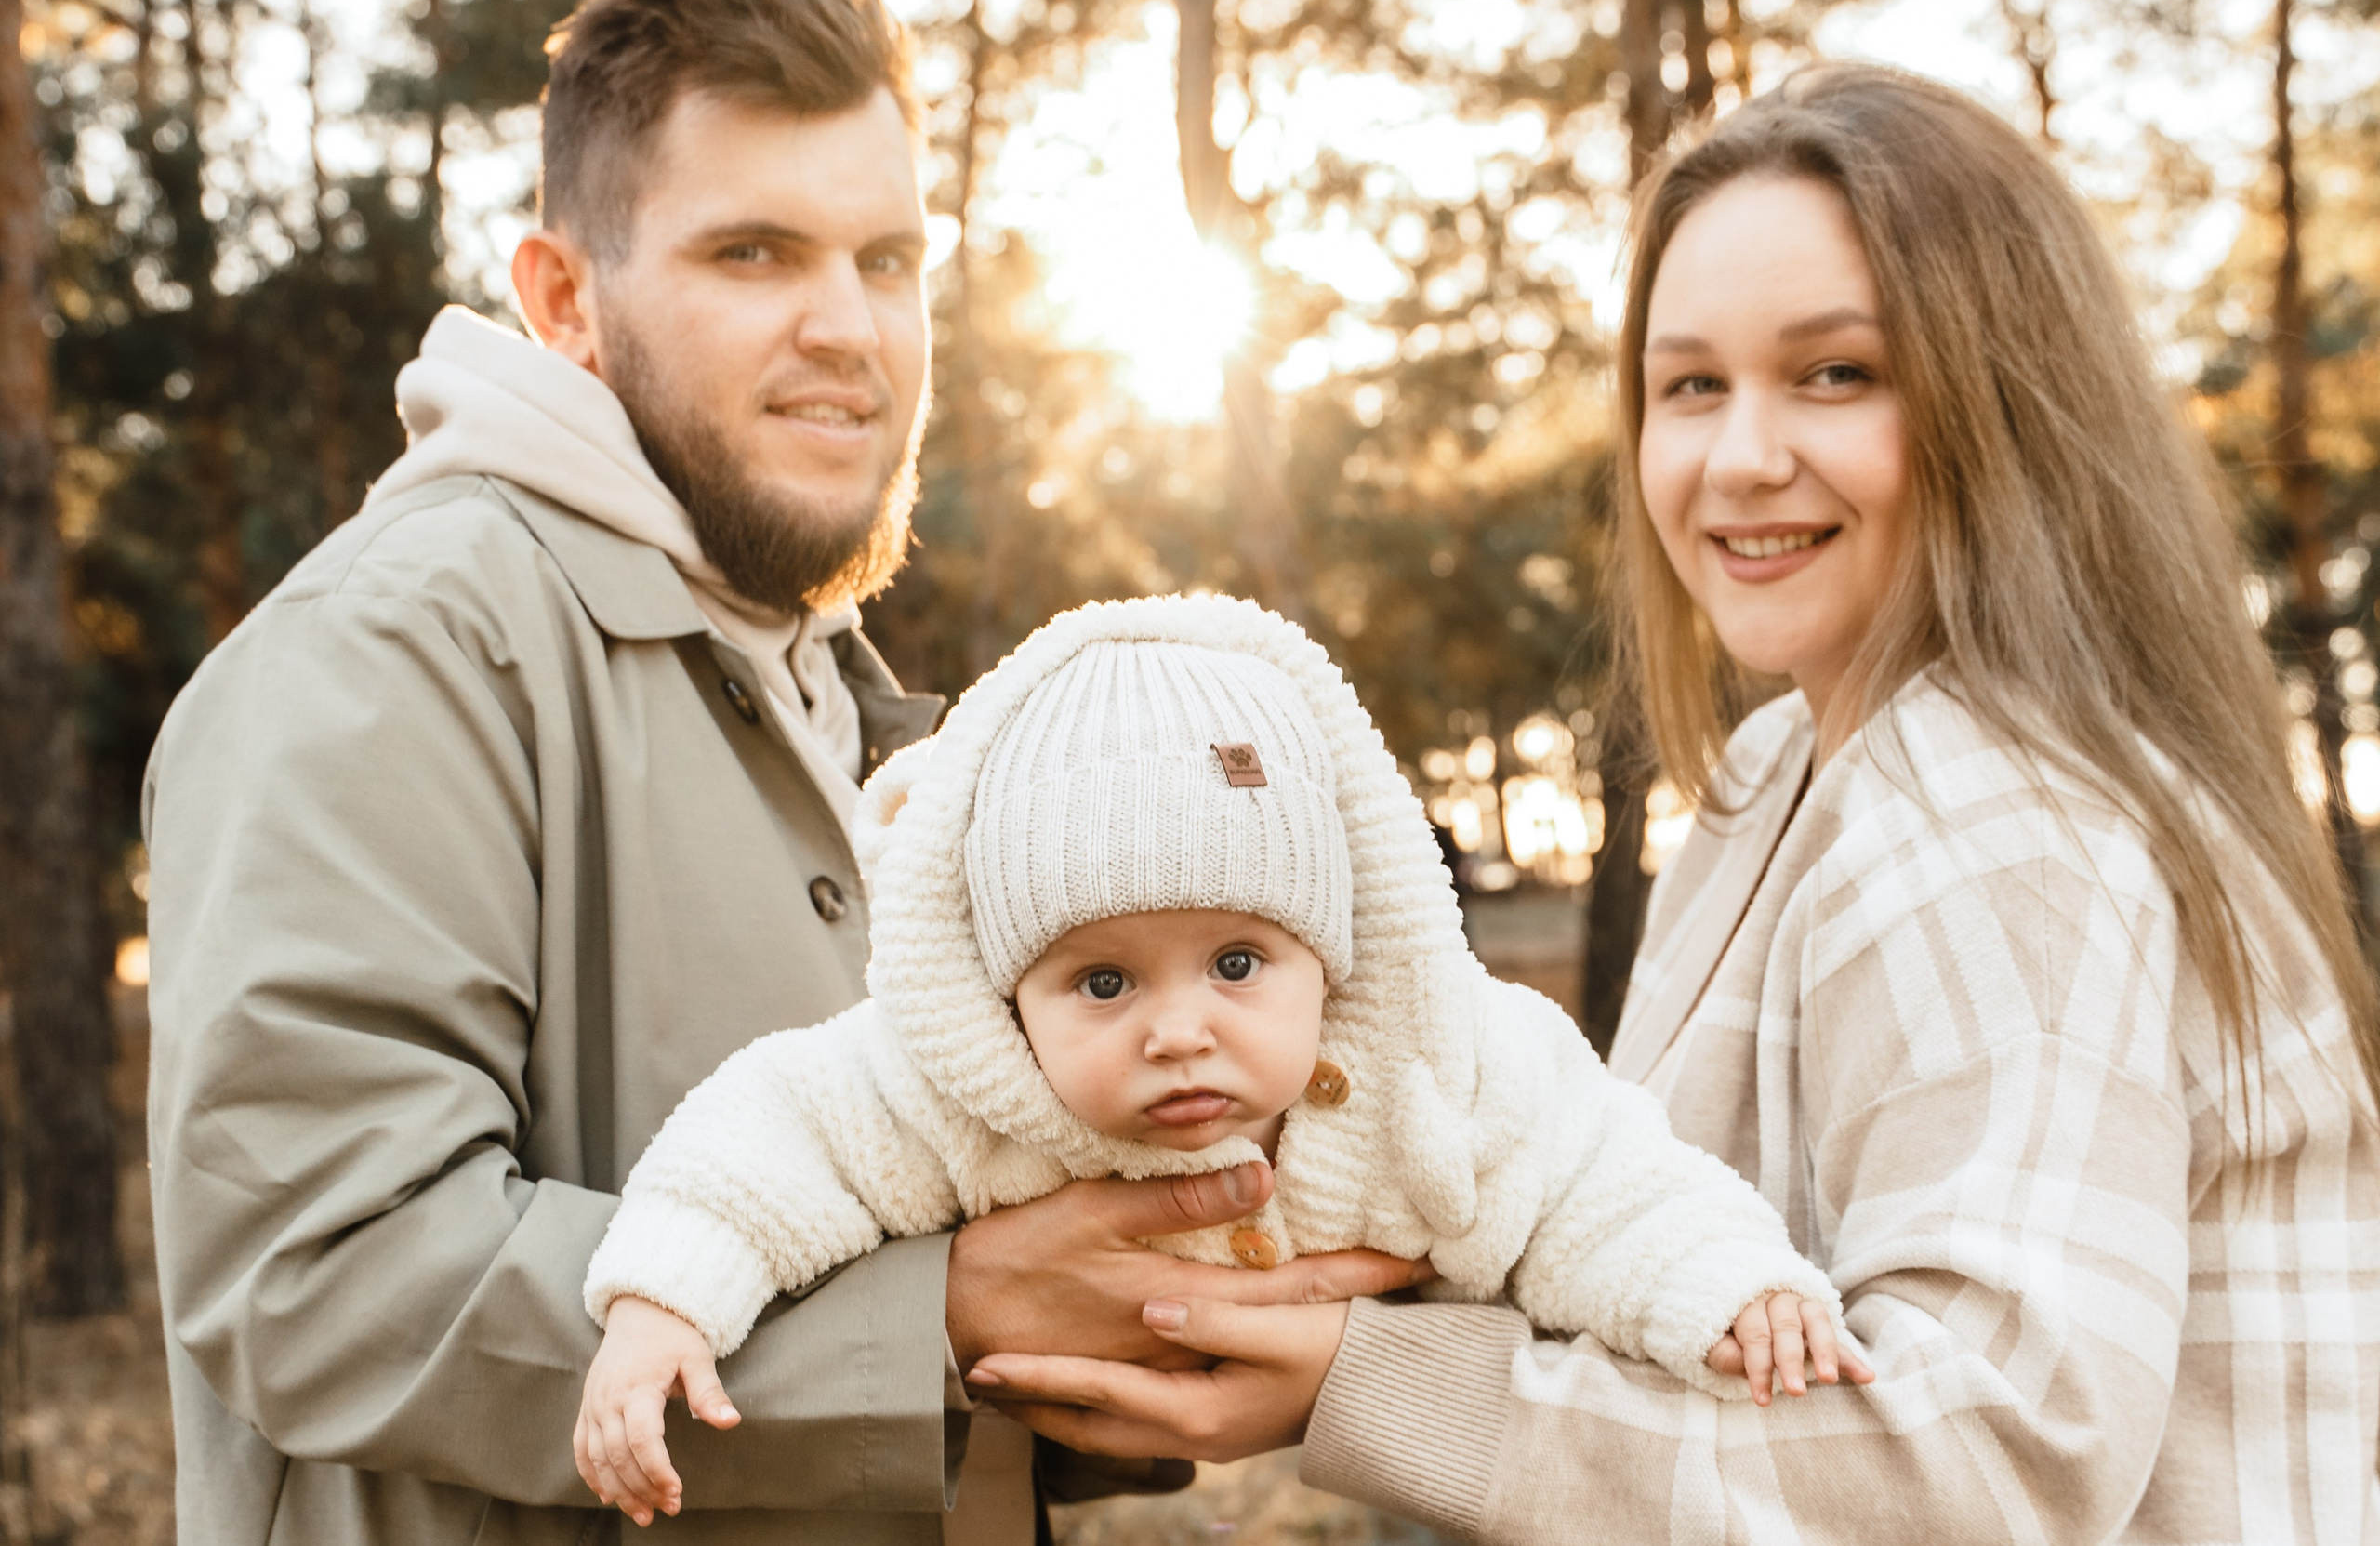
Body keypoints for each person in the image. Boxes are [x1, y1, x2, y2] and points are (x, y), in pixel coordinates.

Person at [958, 66, 2380, 1543]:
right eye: (1691, 384)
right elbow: (1640, 1245)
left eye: (1836, 373)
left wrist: (1368, 1384)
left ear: (2002, 400)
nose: (1739, 458)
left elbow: (1988, 1468)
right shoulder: (1782, 776)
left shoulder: (1993, 813)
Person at [139, 0, 1418, 1541]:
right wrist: (940, 1318)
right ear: (563, 303)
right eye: (754, 253)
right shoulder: (385, 653)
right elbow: (316, 1278)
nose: (847, 329)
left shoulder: (851, 699)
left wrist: (1145, 1324)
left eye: (889, 259)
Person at [568, 595, 1871, 1526]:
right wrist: (662, 1305)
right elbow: (769, 1137)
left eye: (1238, 963)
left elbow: (1605, 1183)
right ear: (1009, 994)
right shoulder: (954, 1089)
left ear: (1329, 951)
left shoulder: (1448, 1065)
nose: (1177, 1027)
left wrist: (1731, 1285)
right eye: (1102, 980)